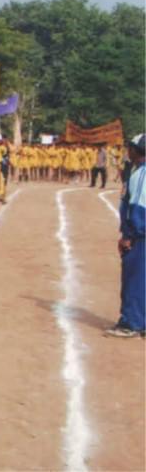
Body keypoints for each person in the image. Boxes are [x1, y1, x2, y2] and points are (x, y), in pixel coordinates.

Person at [107, 133, 145, 338]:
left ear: (137, 150)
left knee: (134, 278)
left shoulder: (141, 174)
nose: (127, 151)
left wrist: (129, 235)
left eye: (130, 147)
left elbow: (137, 208)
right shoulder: (137, 171)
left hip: (141, 236)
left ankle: (131, 323)